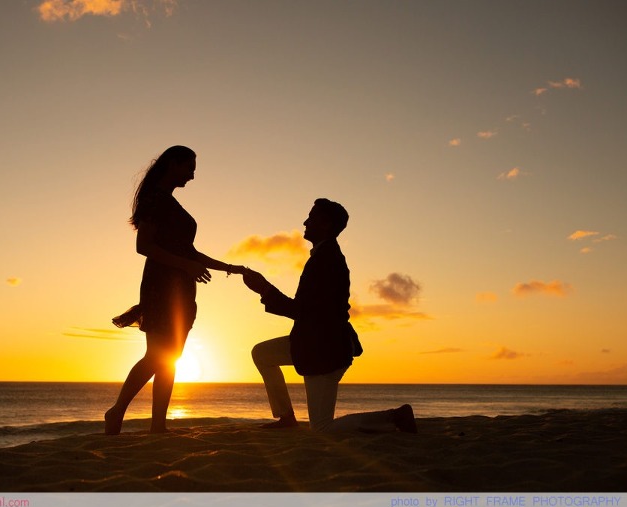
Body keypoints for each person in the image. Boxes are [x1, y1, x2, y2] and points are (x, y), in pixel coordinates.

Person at [242, 198, 417, 434]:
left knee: (322, 427)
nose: (305, 222)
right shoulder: (323, 257)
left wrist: (264, 289)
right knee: (262, 354)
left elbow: (303, 311)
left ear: (325, 225)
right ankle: (286, 417)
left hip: (325, 350)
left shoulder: (327, 260)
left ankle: (395, 417)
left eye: (311, 218)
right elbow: (308, 312)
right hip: (311, 343)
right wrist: (265, 290)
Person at [105, 145, 245, 434]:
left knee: (171, 359)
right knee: (157, 356)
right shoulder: (155, 200)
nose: (192, 176)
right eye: (189, 168)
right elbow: (143, 246)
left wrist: (230, 267)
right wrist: (186, 266)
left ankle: (158, 424)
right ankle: (117, 411)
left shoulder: (169, 202)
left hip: (182, 289)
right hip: (161, 287)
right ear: (173, 164)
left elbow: (190, 252)